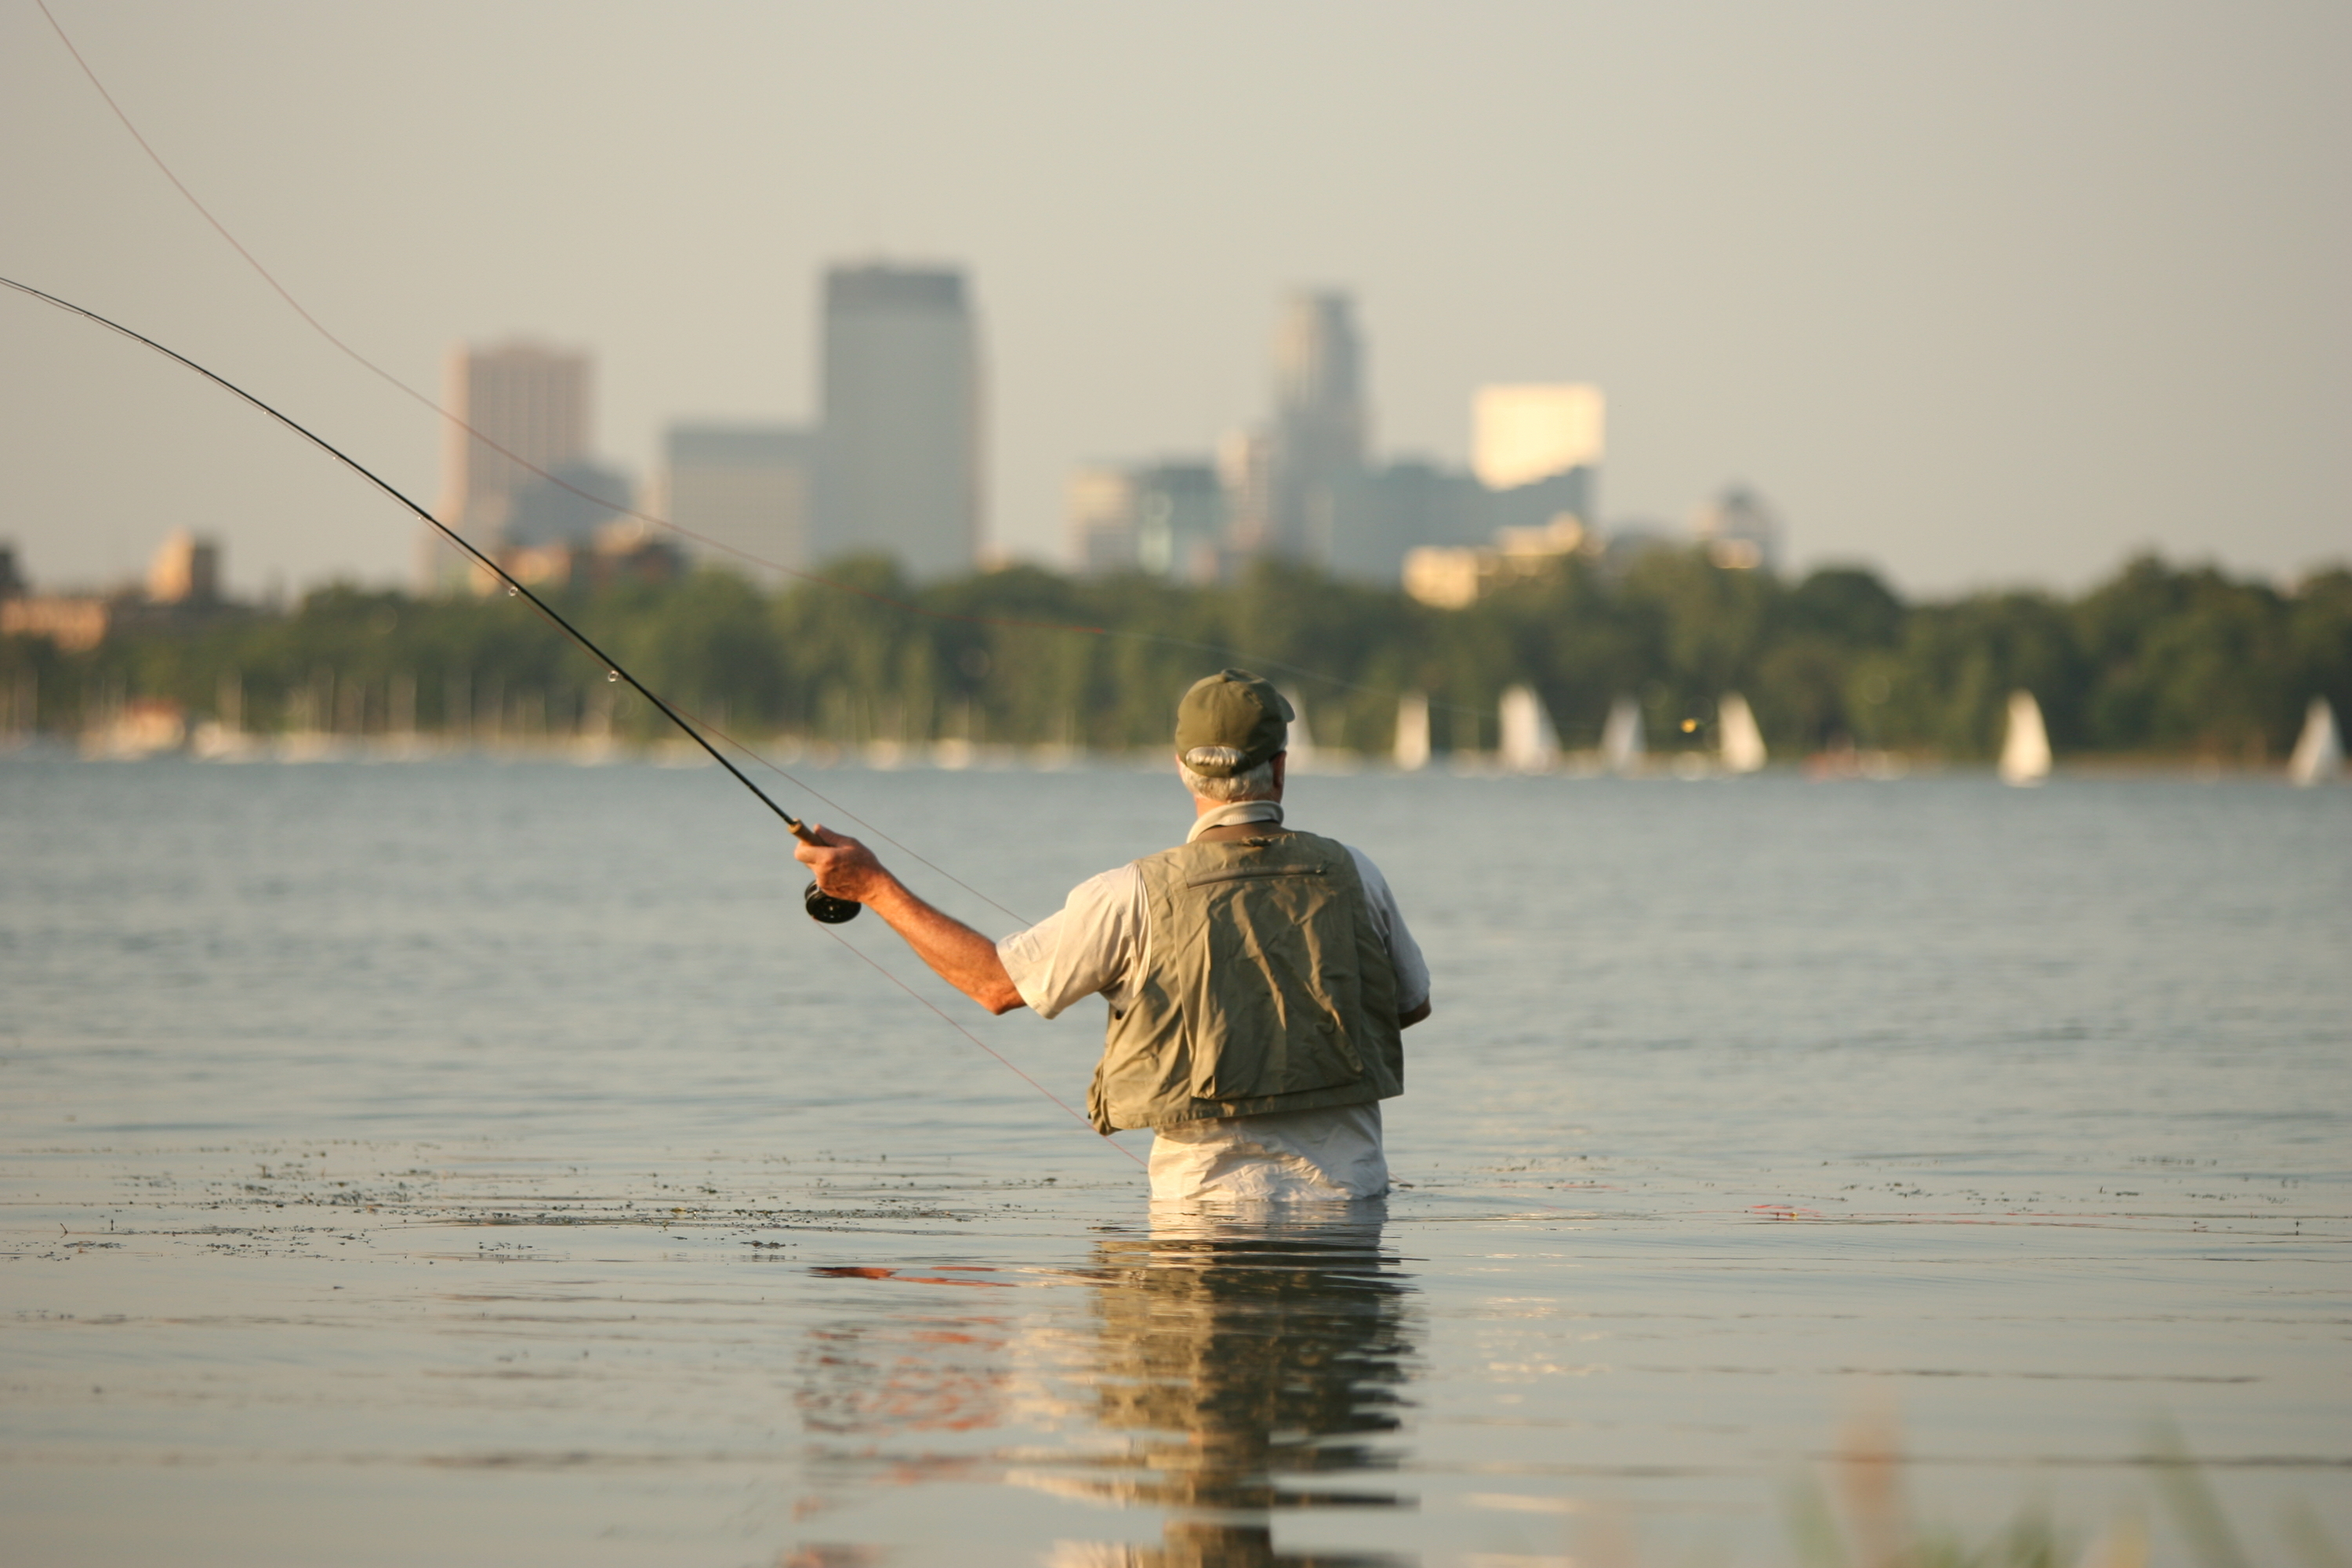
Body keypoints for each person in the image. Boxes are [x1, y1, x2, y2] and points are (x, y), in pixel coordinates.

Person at [793, 668, 1432, 1203]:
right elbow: (1410, 1005)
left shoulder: (1128, 895)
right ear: (1281, 770)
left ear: (1184, 771)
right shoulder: (1357, 874)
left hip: (1199, 1217)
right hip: (1352, 1208)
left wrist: (874, 887)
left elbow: (993, 984)